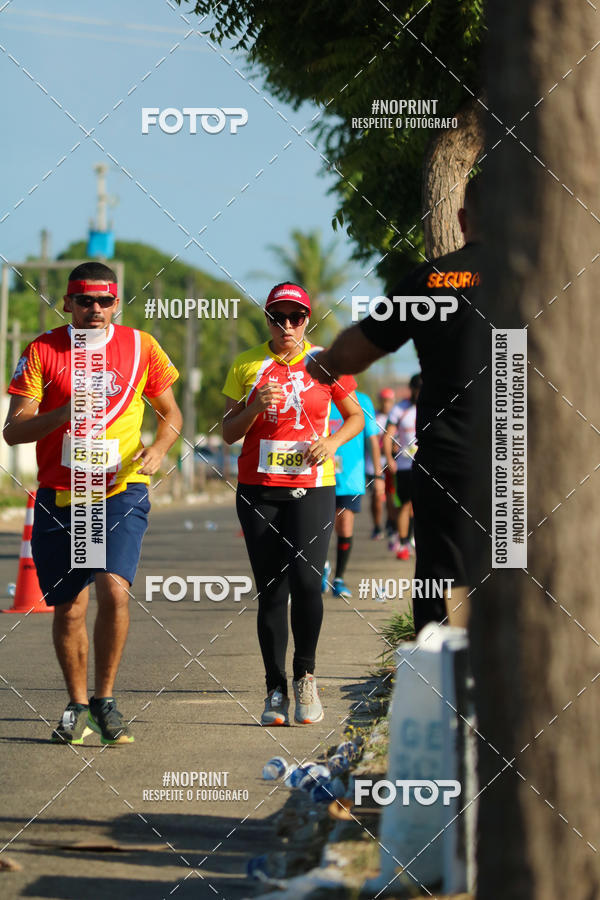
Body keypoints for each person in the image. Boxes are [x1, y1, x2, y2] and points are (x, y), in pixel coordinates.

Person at [3, 262, 182, 745]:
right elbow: (14, 429)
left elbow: (172, 413)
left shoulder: (142, 346)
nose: (96, 309)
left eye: (105, 301)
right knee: (70, 609)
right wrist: (61, 413)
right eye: (85, 300)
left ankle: (106, 698)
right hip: (62, 496)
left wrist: (160, 448)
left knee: (115, 590)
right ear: (67, 303)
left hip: (121, 489)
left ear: (116, 303)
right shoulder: (43, 350)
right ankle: (77, 704)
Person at [306, 174, 486, 633]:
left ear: (463, 221)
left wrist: (323, 363)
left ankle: (442, 690)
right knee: (519, 575)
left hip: (450, 465)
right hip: (526, 463)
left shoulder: (433, 280)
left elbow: (356, 351)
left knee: (441, 582)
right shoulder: (548, 276)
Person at [221, 282, 363, 726]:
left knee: (306, 582)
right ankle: (274, 689)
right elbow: (228, 431)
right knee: (271, 590)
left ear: (307, 320)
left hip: (314, 487)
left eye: (295, 317)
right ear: (267, 320)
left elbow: (357, 416)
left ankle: (306, 676)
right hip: (259, 489)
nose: (287, 326)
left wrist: (332, 441)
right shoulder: (247, 364)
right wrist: (254, 408)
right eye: (278, 317)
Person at [322, 391, 383, 598]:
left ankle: (338, 579)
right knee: (321, 528)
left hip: (351, 477)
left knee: (345, 525)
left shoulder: (363, 401)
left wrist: (378, 474)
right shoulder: (318, 394)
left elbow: (373, 440)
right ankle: (320, 569)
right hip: (320, 474)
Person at [383, 373, 421, 560]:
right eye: (417, 390)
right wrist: (390, 458)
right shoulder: (400, 408)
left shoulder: (430, 407)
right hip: (405, 465)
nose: (420, 393)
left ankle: (418, 539)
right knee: (404, 505)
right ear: (412, 389)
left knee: (422, 506)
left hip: (426, 466)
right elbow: (388, 435)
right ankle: (403, 542)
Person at [366, 388, 396, 540]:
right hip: (373, 464)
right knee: (377, 496)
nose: (386, 404)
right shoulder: (373, 417)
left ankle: (391, 523)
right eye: (384, 400)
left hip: (391, 463)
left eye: (389, 401)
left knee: (391, 496)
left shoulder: (396, 416)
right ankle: (377, 526)